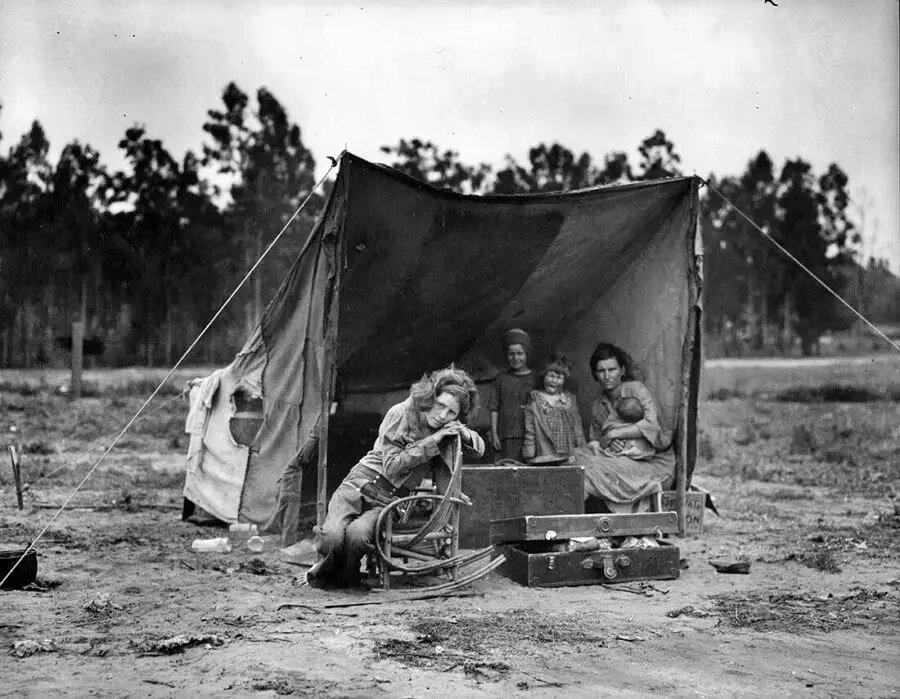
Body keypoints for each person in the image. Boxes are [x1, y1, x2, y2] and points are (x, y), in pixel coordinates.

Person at [306, 366, 484, 589]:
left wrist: (465, 432)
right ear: (430, 397)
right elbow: (392, 467)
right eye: (440, 405)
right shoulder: (401, 413)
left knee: (358, 535)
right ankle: (331, 572)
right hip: (359, 483)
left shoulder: (446, 428)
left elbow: (478, 449)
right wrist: (432, 441)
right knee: (332, 536)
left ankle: (348, 575)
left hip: (392, 499)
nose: (441, 416)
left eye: (451, 412)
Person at [572, 343, 675, 513]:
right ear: (595, 375)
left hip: (652, 463)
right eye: (601, 371)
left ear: (622, 370)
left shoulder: (636, 390)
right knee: (577, 456)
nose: (607, 376)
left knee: (587, 472)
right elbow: (597, 441)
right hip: (619, 460)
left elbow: (651, 425)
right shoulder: (598, 405)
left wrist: (615, 433)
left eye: (612, 370)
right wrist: (608, 443)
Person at [521, 353, 586, 464]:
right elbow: (530, 429)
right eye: (551, 376)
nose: (554, 381)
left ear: (564, 380)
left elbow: (577, 428)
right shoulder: (535, 401)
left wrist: (582, 448)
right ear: (543, 376)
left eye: (559, 377)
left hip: (568, 453)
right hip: (546, 453)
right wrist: (529, 451)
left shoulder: (569, 400)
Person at [488, 328, 538, 461]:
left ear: (526, 354)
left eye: (520, 353)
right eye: (511, 354)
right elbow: (494, 408)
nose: (516, 358)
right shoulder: (501, 379)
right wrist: (494, 434)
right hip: (505, 436)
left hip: (530, 437)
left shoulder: (536, 379)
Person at [591, 396, 656, 461]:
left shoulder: (613, 423)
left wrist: (611, 435)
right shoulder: (636, 422)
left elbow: (606, 431)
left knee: (594, 446)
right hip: (641, 449)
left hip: (624, 448)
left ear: (618, 416)